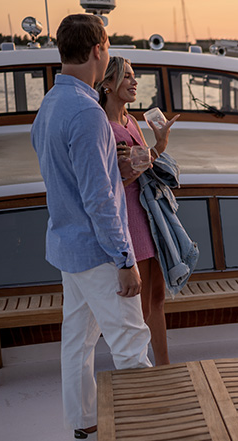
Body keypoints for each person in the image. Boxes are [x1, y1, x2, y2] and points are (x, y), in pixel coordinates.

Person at [31, 14, 152, 441]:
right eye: (108, 44)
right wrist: (125, 259)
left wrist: (109, 168)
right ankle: (143, 439)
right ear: (99, 49)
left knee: (77, 342)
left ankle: (84, 428)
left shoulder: (49, 105)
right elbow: (100, 200)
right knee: (130, 341)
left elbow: (63, 174)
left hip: (67, 248)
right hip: (100, 253)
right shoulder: (88, 113)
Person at [96, 56, 180, 366]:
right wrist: (156, 148)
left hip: (148, 215)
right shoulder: (104, 127)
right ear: (107, 85)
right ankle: (142, 369)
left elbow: (141, 167)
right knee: (141, 306)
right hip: (128, 218)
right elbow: (118, 177)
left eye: (134, 77)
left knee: (157, 297)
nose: (134, 82)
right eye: (127, 77)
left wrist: (150, 150)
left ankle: (164, 364)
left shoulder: (130, 120)